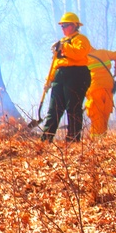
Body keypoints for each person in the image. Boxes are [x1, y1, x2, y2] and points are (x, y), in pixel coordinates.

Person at [41, 12, 92, 142]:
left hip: (77, 74)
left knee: (73, 107)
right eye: (62, 26)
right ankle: (46, 139)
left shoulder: (81, 40)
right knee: (54, 108)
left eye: (66, 25)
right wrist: (49, 80)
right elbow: (55, 63)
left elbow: (79, 54)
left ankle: (73, 139)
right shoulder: (62, 42)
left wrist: (64, 47)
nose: (63, 28)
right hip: (60, 75)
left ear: (75, 26)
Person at [84, 46, 116, 136]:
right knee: (105, 114)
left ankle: (97, 141)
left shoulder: (83, 59)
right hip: (108, 88)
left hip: (94, 89)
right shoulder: (103, 53)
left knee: (96, 115)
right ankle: (102, 138)